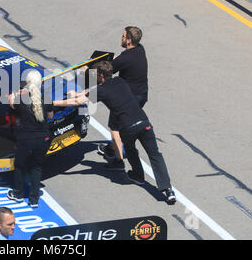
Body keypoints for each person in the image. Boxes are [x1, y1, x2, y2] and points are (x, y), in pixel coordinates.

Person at [54, 61, 176, 204]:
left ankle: (138, 175)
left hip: (127, 127)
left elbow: (77, 102)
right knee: (155, 155)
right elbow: (90, 92)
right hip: (144, 122)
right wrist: (79, 93)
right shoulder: (120, 81)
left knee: (131, 150)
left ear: (100, 75)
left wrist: (54, 103)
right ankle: (168, 190)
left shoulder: (101, 91)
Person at [98, 26, 149, 170]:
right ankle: (110, 148)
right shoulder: (140, 49)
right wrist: (107, 57)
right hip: (142, 95)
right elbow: (120, 58)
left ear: (128, 40)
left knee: (115, 127)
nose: (121, 37)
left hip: (127, 99)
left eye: (123, 36)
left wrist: (90, 67)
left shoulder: (125, 58)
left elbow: (108, 70)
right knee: (124, 124)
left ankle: (118, 161)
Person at [7, 70, 54, 208]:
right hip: (42, 138)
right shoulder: (47, 98)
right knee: (36, 167)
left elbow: (11, 104)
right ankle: (34, 199)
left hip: (25, 138)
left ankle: (18, 193)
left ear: (27, 83)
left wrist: (14, 94)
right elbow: (50, 116)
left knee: (20, 165)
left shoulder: (21, 98)